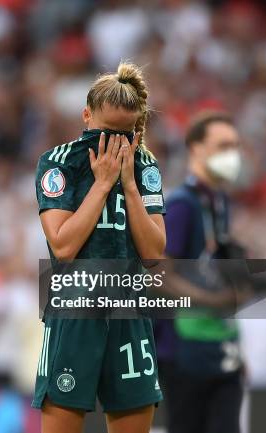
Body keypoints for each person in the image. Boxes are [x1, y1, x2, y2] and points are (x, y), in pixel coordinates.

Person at [33, 62, 166, 433]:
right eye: (107, 131)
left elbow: (155, 254)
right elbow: (62, 247)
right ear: (87, 115)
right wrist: (103, 184)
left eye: (126, 133)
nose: (115, 143)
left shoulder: (145, 166)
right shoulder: (59, 163)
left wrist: (129, 183)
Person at [159, 111, 244, 433]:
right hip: (185, 346)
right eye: (222, 145)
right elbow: (160, 275)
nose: (231, 154)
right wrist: (210, 299)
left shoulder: (220, 201)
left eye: (234, 145)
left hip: (221, 341)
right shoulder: (182, 204)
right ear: (195, 148)